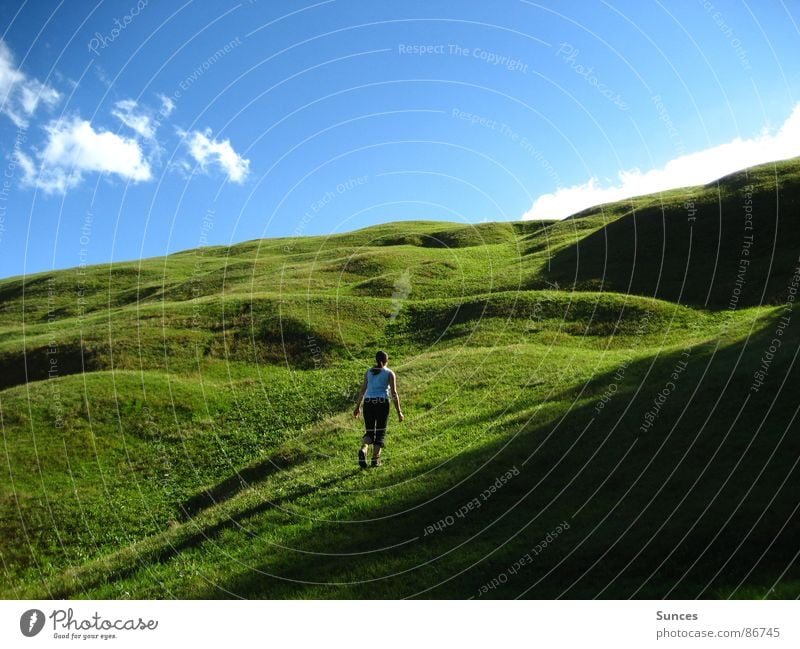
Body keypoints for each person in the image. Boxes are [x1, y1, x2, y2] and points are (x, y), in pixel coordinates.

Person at [353, 350, 403, 467]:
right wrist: (399, 411)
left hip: (368, 403)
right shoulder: (389, 373)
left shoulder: (368, 372)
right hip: (382, 403)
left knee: (369, 431)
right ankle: (375, 460)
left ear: (376, 360)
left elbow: (362, 391)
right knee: (380, 431)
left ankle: (364, 449)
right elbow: (394, 393)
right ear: (387, 361)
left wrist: (357, 407)